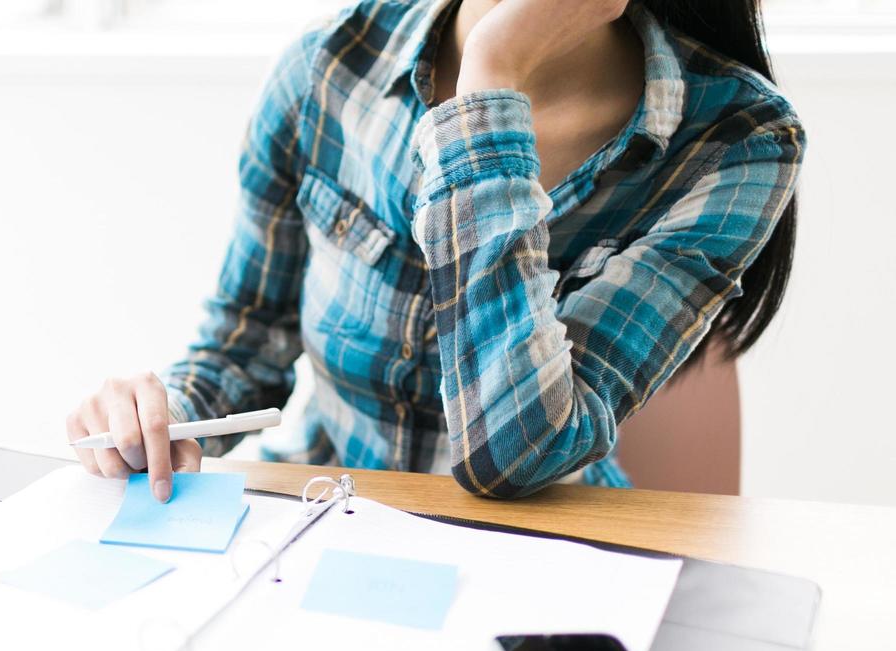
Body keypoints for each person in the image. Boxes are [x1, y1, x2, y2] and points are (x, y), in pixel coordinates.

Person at [68, 0, 802, 501]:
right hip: (323, 534)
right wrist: (163, 416)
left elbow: (517, 456)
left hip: (542, 571)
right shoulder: (330, 65)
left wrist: (491, 79)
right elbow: (243, 345)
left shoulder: (740, 139)